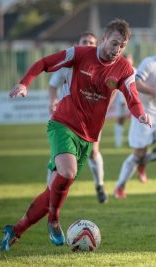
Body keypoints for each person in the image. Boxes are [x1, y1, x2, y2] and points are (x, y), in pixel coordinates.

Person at [0, 18, 152, 251]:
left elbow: (132, 95)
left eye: (122, 46)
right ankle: (54, 220)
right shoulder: (79, 53)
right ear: (103, 39)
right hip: (62, 124)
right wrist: (24, 83)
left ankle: (16, 230)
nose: (117, 50)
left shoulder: (124, 69)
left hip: (88, 137)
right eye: (114, 43)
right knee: (67, 172)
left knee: (55, 188)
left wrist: (140, 114)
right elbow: (44, 62)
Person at [113, 33, 156, 199]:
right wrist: (155, 91)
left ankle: (144, 161)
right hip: (143, 114)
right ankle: (120, 186)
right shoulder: (150, 63)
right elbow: (136, 83)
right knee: (137, 154)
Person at [46, 31, 109, 204]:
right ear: (78, 43)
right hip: (67, 117)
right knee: (60, 153)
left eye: (91, 42)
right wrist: (53, 101)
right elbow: (53, 85)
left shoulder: (101, 66)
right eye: (84, 41)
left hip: (91, 119)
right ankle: (49, 193)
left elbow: (114, 88)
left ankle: (100, 185)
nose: (88, 44)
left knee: (93, 151)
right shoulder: (69, 62)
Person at [111, 53, 134, 148]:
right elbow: (115, 89)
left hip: (133, 102)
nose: (128, 62)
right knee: (120, 121)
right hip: (122, 102)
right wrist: (121, 101)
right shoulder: (118, 72)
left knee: (135, 121)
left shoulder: (135, 72)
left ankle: (132, 140)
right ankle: (118, 142)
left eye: (129, 59)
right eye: (126, 59)